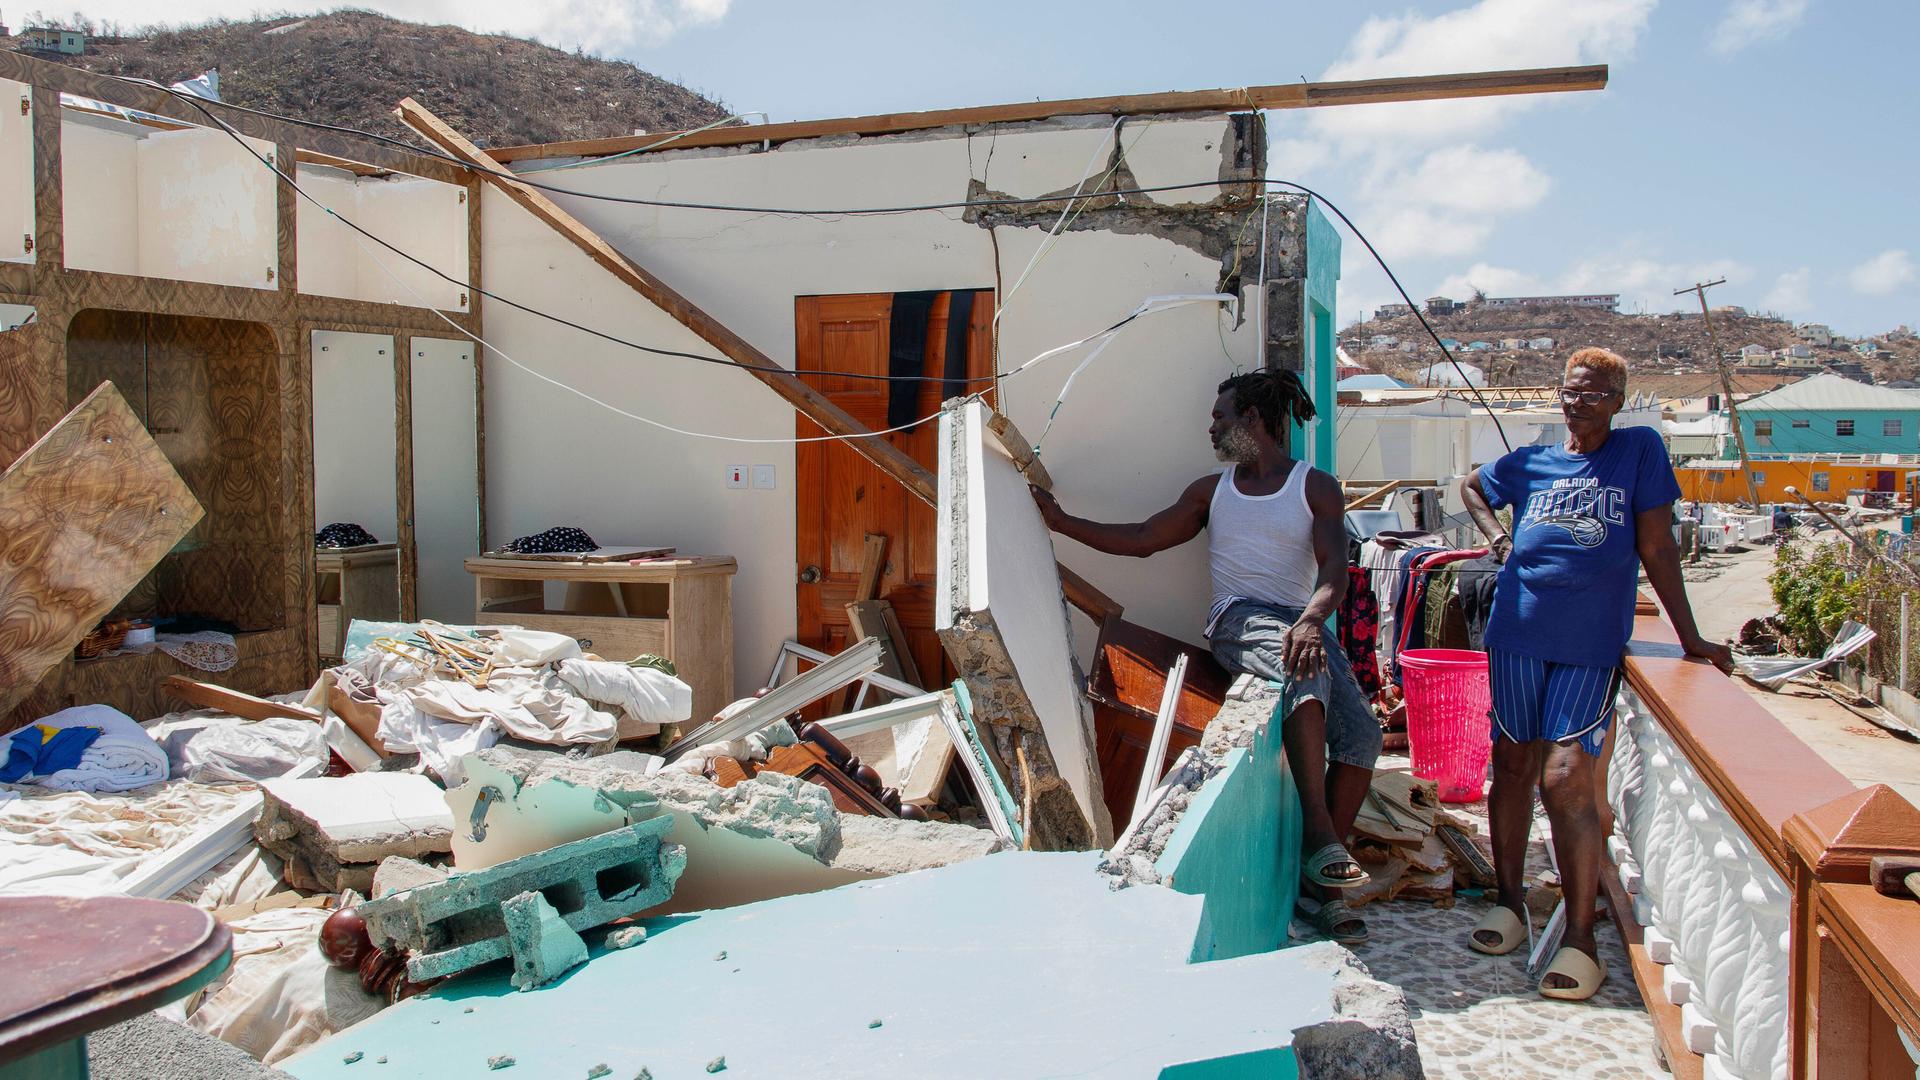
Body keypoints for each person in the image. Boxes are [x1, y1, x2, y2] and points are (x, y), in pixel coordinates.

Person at [1031, 369, 1380, 944]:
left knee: (1363, 735)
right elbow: (1144, 538)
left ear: (1254, 421)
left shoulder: (1315, 487)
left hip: (1300, 621)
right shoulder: (1211, 491)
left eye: (1221, 417)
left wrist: (1314, 619)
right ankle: (1323, 849)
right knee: (1305, 677)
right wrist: (1060, 522)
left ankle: (1316, 888)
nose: (1211, 427)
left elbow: (1333, 572)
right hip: (1239, 619)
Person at [1460, 347, 1733, 1000]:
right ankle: (1507, 900)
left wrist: (1690, 636)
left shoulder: (1638, 451)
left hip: (1588, 646)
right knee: (1512, 762)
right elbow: (1473, 487)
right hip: (1516, 634)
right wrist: (1499, 541)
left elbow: (1657, 545)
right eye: (1571, 390)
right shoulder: (1532, 461)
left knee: (1564, 778)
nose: (1578, 402)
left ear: (1617, 399)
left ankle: (1581, 936)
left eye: (1594, 392)